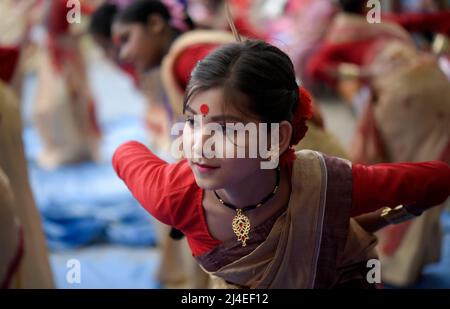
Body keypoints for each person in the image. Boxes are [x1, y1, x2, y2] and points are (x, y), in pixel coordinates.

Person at [112, 39, 450, 288]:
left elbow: (435, 179)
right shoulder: (172, 194)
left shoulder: (325, 185)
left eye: (227, 129)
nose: (198, 145)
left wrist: (387, 216)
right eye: (191, 123)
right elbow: (125, 152)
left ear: (277, 137)